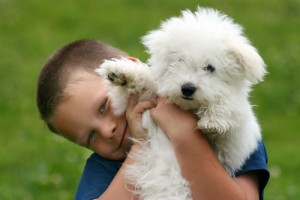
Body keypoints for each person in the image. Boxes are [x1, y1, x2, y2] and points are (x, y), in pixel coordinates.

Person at [37, 39, 269, 200]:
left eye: (103, 107)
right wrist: (141, 145)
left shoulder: (228, 128)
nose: (107, 131)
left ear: (125, 73)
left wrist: (185, 135)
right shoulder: (104, 168)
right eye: (90, 137)